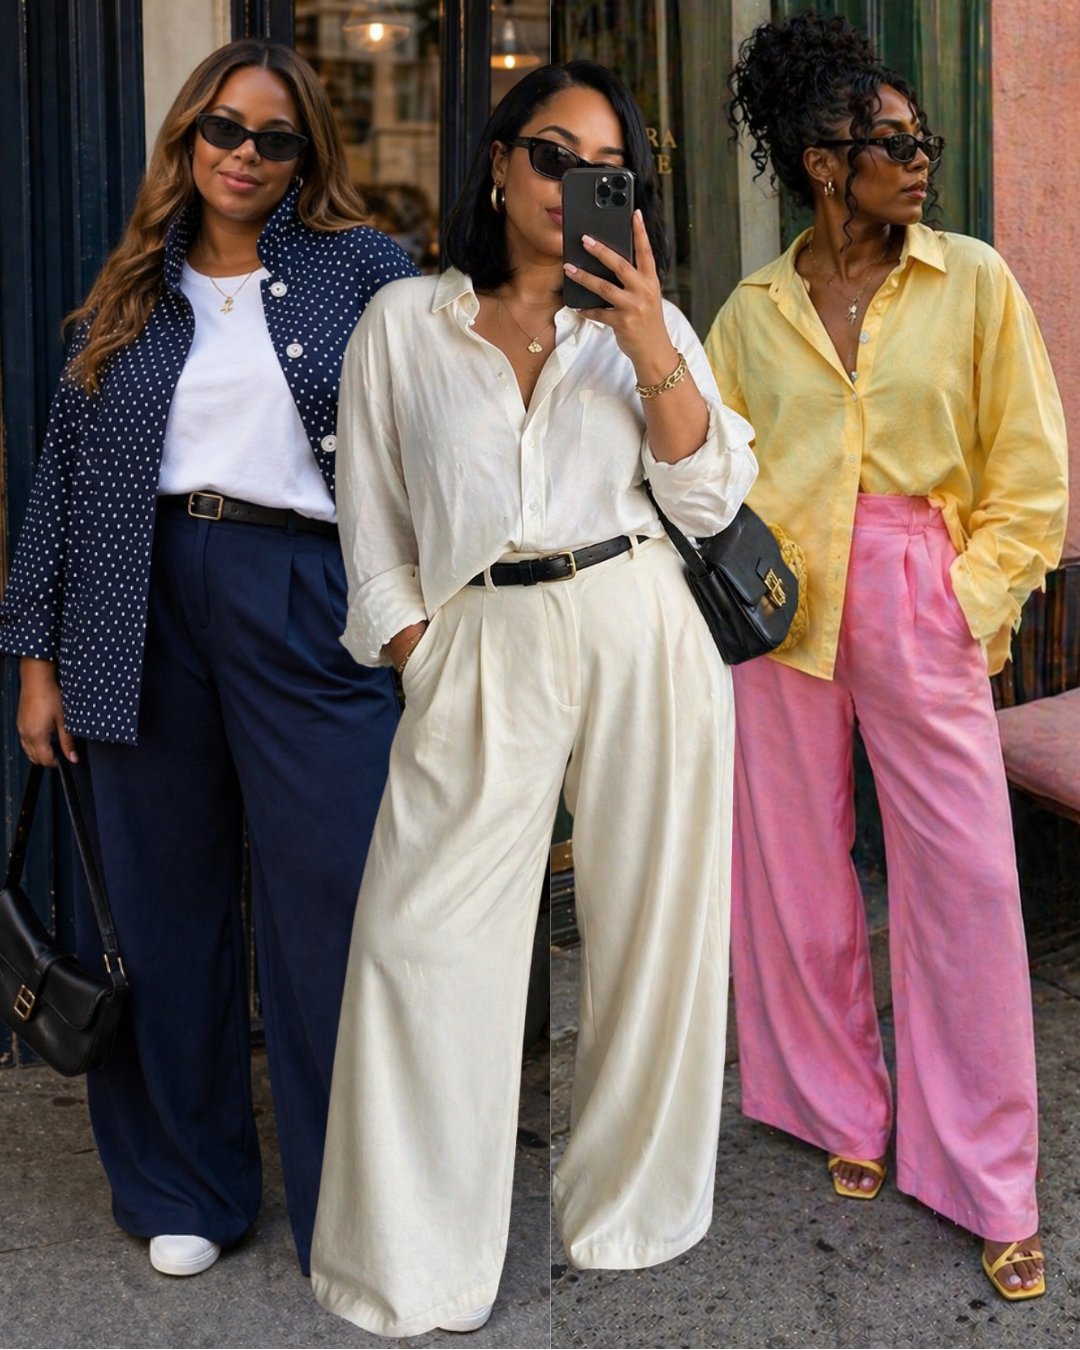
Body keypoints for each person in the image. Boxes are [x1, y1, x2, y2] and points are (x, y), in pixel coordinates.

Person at [308, 60, 757, 1337]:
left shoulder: (652, 326)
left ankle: (628, 1214)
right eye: (550, 155)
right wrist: (417, 648)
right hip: (480, 636)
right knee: (422, 941)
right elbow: (374, 525)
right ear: (499, 164)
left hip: (637, 619)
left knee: (650, 928)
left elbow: (709, 500)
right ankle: (409, 1260)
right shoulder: (405, 321)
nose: (571, 186)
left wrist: (647, 336)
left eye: (604, 166)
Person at [0, 39, 417, 1278]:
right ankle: (186, 1181)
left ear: (305, 159)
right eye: (224, 130)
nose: (245, 154)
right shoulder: (125, 296)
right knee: (162, 909)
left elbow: (437, 432)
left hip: (307, 591)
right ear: (186, 140)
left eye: (273, 137)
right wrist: (36, 659)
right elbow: (62, 484)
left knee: (336, 905)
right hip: (137, 601)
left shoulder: (368, 272)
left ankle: (368, 1197)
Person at [705, 13, 1068, 1303]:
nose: (922, 163)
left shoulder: (970, 280)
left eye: (927, 141)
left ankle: (987, 1175)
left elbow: (1032, 473)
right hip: (783, 611)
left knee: (963, 882)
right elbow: (716, 474)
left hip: (920, 586)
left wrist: (965, 603)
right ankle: (837, 1109)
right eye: (893, 144)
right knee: (795, 871)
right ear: (820, 161)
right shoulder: (751, 311)